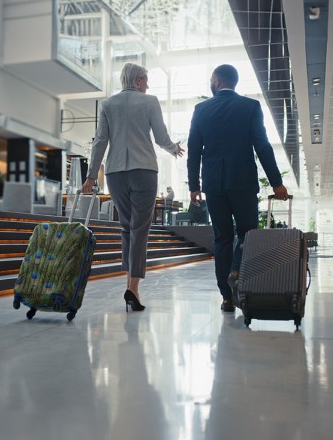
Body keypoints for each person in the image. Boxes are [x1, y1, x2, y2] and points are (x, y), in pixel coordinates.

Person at [81, 63, 184, 312]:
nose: (148, 84)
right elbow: (160, 138)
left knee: (126, 227)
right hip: (144, 170)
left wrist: (91, 176)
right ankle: (133, 287)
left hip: (115, 173)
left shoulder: (108, 104)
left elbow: (100, 142)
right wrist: (173, 148)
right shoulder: (150, 102)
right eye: (146, 79)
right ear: (138, 80)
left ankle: (129, 283)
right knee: (140, 228)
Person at [187, 64, 288, 313]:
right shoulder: (250, 107)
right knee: (247, 234)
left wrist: (194, 186)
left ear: (218, 81)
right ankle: (236, 271)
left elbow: (193, 151)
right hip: (242, 182)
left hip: (214, 185)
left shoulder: (201, 109)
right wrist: (276, 182)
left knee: (222, 238)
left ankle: (226, 297)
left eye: (211, 80)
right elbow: (262, 146)